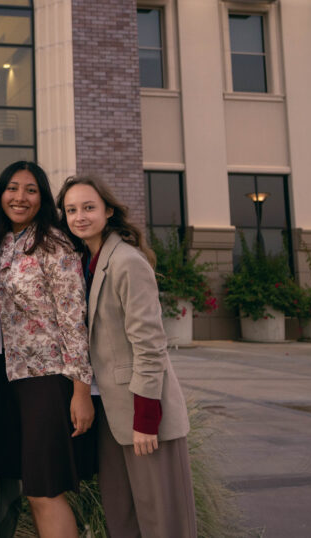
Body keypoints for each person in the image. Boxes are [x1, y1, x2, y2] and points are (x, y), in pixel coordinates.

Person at [56, 175, 197, 538]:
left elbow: (150, 344)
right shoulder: (87, 260)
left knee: (163, 521)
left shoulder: (127, 262)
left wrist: (147, 417)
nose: (79, 216)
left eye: (88, 207)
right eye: (71, 210)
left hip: (142, 414)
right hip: (111, 412)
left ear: (108, 211)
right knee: (123, 517)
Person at [0, 161, 96, 538]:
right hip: (11, 377)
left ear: (43, 197)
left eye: (31, 190)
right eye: (12, 188)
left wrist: (81, 391)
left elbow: (73, 318)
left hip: (48, 379)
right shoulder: (4, 241)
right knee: (31, 488)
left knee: (44, 489)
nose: (20, 197)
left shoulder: (53, 242)